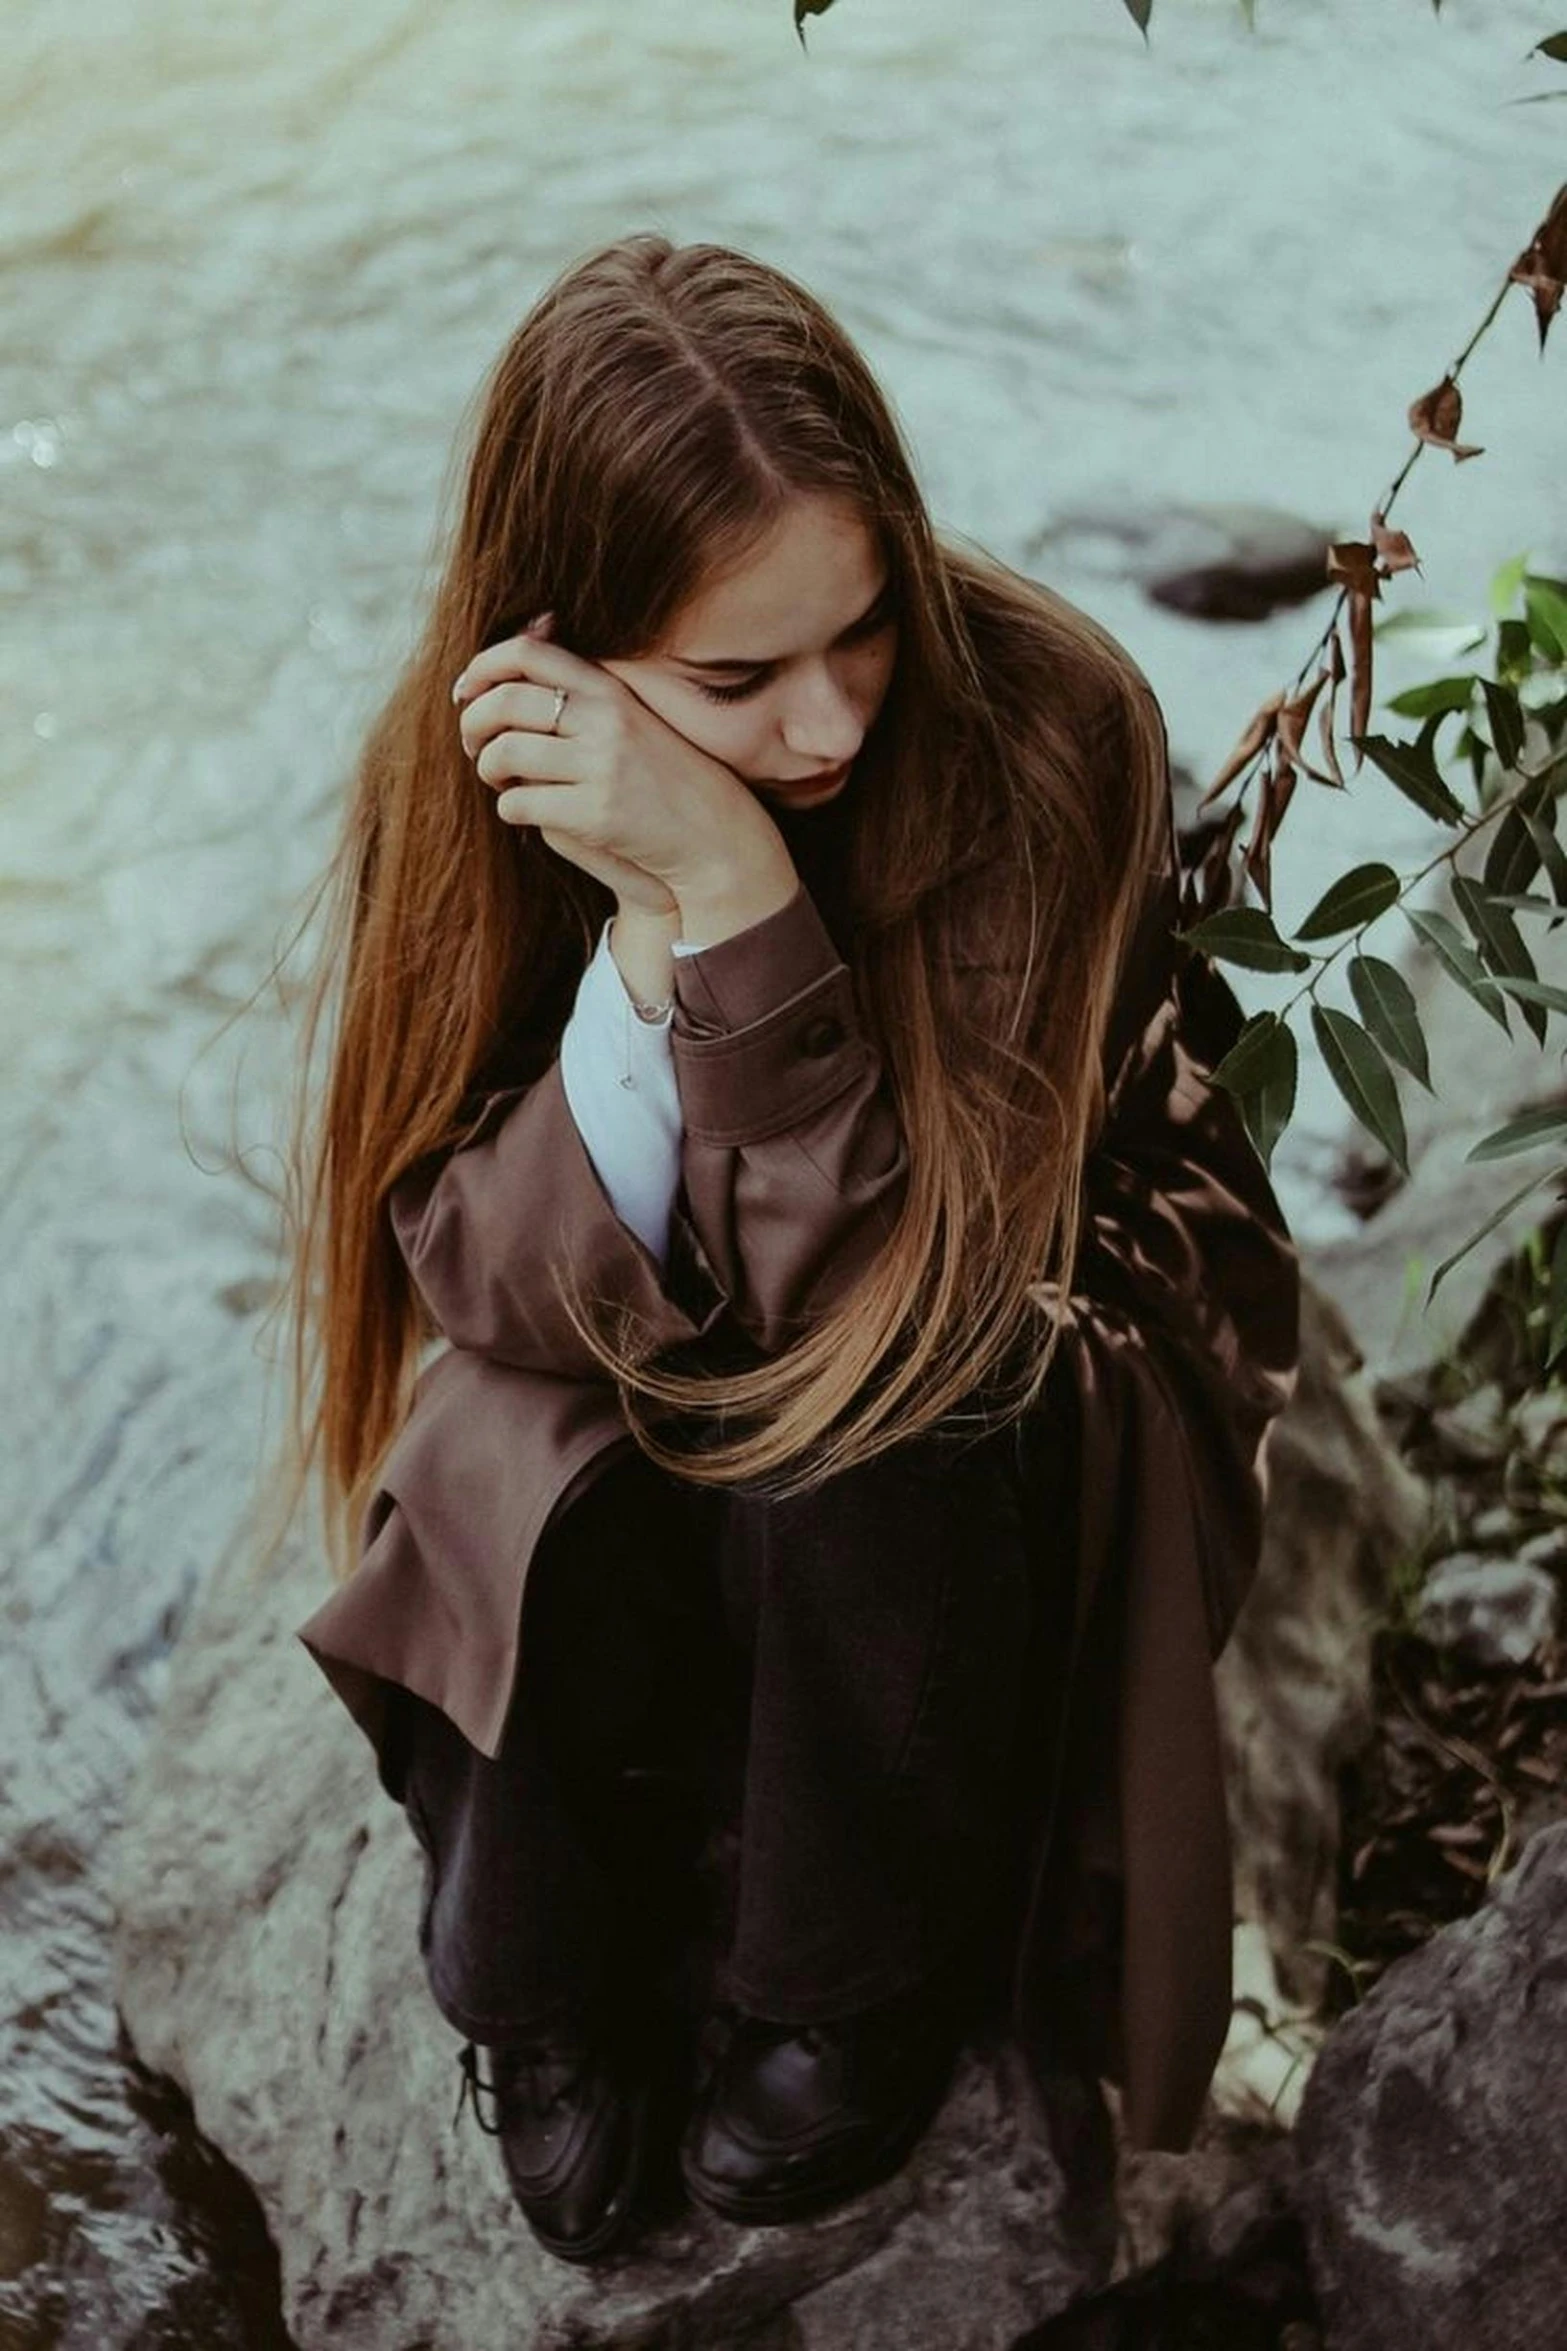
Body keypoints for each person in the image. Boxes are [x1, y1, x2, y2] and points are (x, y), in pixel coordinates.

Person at [273, 232, 1301, 2266]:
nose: (831, 719)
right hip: (750, 1332)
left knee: (863, 1443)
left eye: (861, 632)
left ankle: (846, 1977)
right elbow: (476, 1270)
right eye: (736, 682)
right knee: (496, 1437)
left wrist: (739, 887)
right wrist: (645, 956)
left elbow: (902, 1296)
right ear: (558, 651)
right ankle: (537, 1983)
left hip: (1010, 1371)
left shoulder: (1045, 726)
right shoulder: (471, 767)